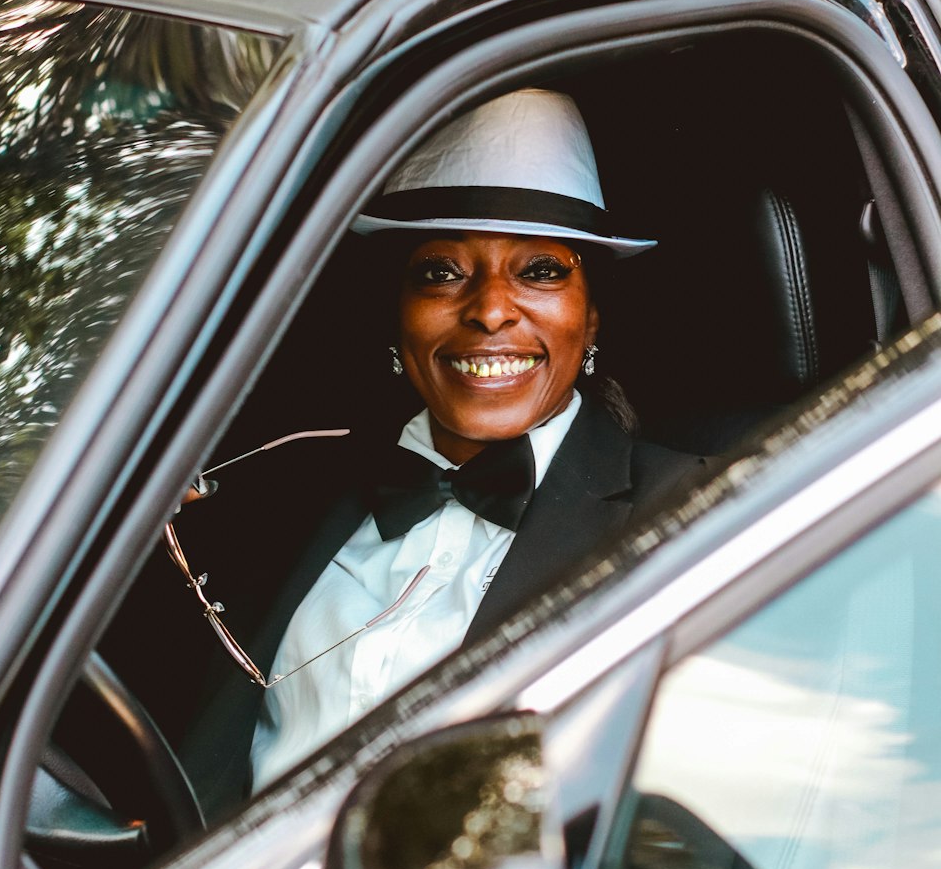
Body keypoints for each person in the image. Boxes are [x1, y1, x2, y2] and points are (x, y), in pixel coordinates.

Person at [178, 88, 710, 816]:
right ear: (398, 317)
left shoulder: (692, 519)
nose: (490, 309)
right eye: (442, 271)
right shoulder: (280, 486)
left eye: (541, 270)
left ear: (591, 320)